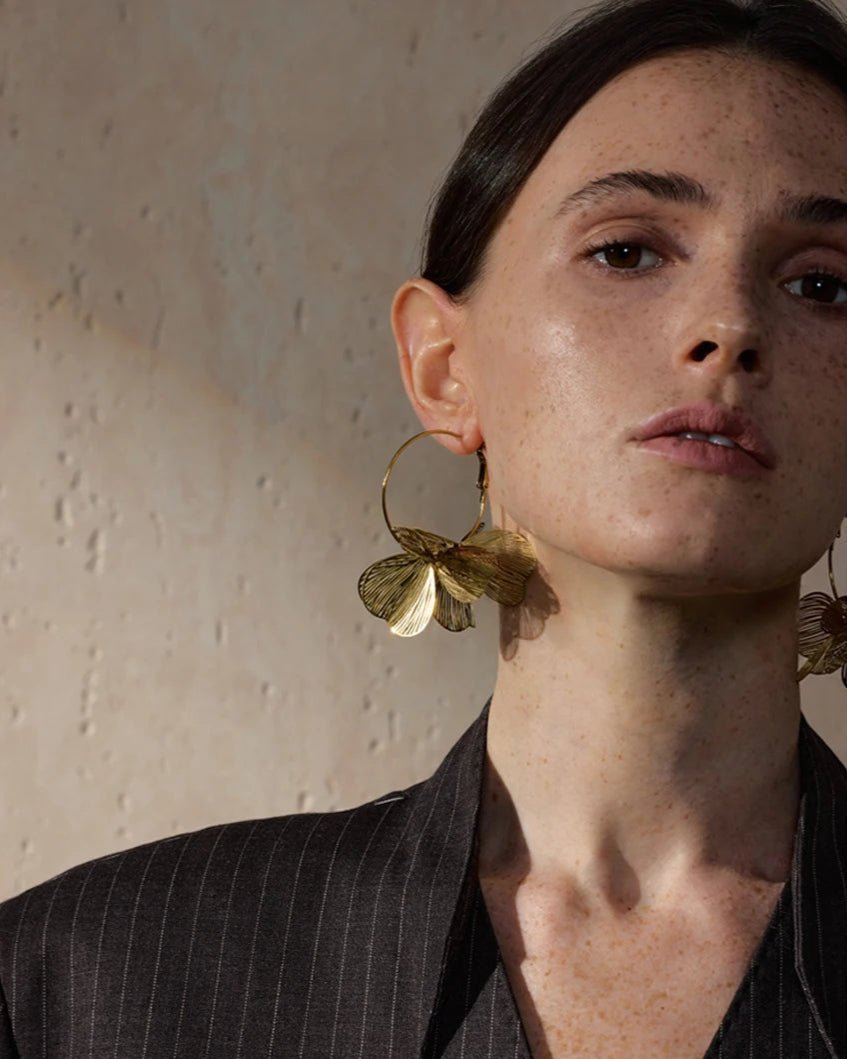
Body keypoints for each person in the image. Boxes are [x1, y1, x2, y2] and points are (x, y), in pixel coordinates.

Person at [3, 0, 847, 1054]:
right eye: (628, 252)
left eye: (823, 283)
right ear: (444, 370)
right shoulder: (85, 986)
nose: (728, 326)